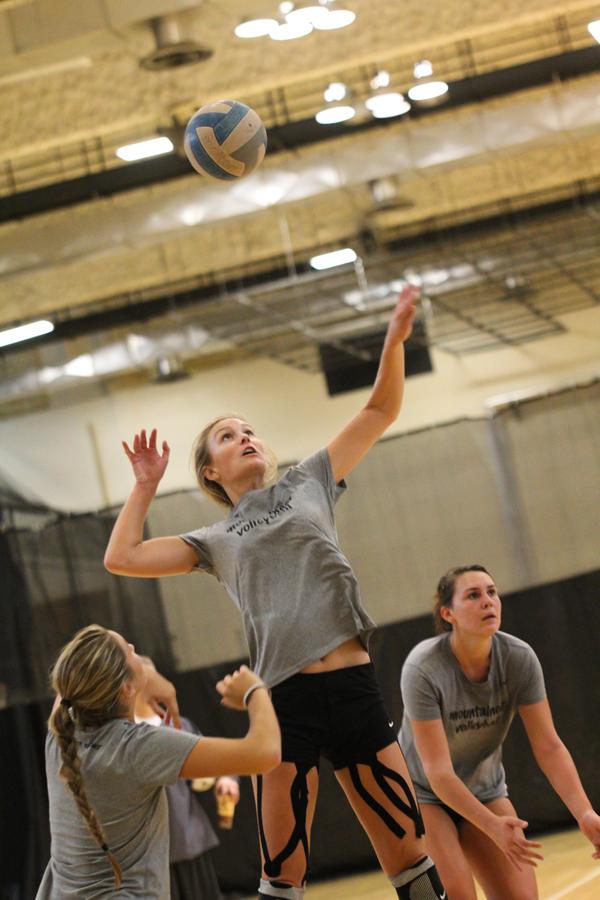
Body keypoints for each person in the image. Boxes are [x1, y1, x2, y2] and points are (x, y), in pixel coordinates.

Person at [104, 284, 446, 900]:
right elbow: (121, 557)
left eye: (249, 430)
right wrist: (144, 485)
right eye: (228, 437)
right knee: (281, 875)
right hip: (285, 698)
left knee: (412, 860)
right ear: (210, 470)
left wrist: (394, 340)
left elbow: (378, 412)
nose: (246, 438)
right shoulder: (213, 538)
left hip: (353, 684)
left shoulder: (308, 481)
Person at [398, 564, 600, 900]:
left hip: (484, 787)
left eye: (492, 592)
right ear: (448, 613)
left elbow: (549, 747)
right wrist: (492, 826)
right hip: (424, 795)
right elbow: (438, 772)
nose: (488, 601)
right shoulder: (423, 668)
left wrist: (584, 812)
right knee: (458, 894)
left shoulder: (519, 659)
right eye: (473, 595)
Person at [36, 624, 280, 899]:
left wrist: (145, 678)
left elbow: (71, 679)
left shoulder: (60, 734)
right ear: (127, 689)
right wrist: (255, 690)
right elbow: (264, 753)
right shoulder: (138, 746)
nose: (133, 649)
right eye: (130, 650)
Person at [134, 656, 239, 900]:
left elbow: (217, 763)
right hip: (145, 854)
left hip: (188, 842)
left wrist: (227, 779)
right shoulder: (122, 736)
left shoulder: (178, 727)